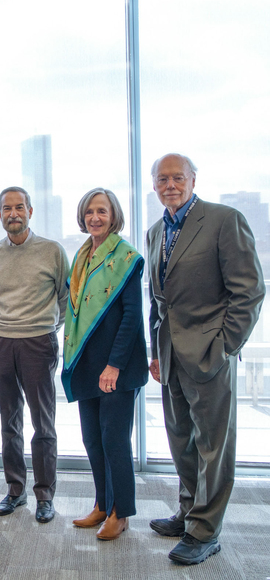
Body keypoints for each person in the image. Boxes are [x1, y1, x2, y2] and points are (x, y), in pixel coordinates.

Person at [147, 153, 265, 565]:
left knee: (214, 445)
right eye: (162, 179)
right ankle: (187, 511)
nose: (170, 185)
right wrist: (155, 351)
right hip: (170, 355)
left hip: (210, 354)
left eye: (178, 177)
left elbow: (249, 291)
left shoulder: (222, 220)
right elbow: (156, 301)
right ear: (155, 185)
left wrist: (226, 347)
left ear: (193, 179)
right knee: (182, 440)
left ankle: (205, 530)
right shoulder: (155, 231)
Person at [61, 188, 148, 540]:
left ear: (114, 216)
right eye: (89, 211)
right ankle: (101, 504)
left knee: (115, 441)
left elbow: (131, 317)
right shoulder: (81, 256)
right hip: (86, 362)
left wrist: (114, 365)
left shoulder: (126, 257)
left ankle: (121, 512)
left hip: (116, 366)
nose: (95, 217)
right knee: (92, 440)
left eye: (102, 211)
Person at [0, 187, 69, 523]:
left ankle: (45, 495)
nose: (13, 213)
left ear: (30, 211)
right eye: (7, 208)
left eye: (20, 207)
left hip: (39, 342)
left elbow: (64, 298)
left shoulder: (51, 251)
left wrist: (47, 327)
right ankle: (15, 491)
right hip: (2, 342)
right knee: (9, 421)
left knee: (42, 422)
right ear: (0, 214)